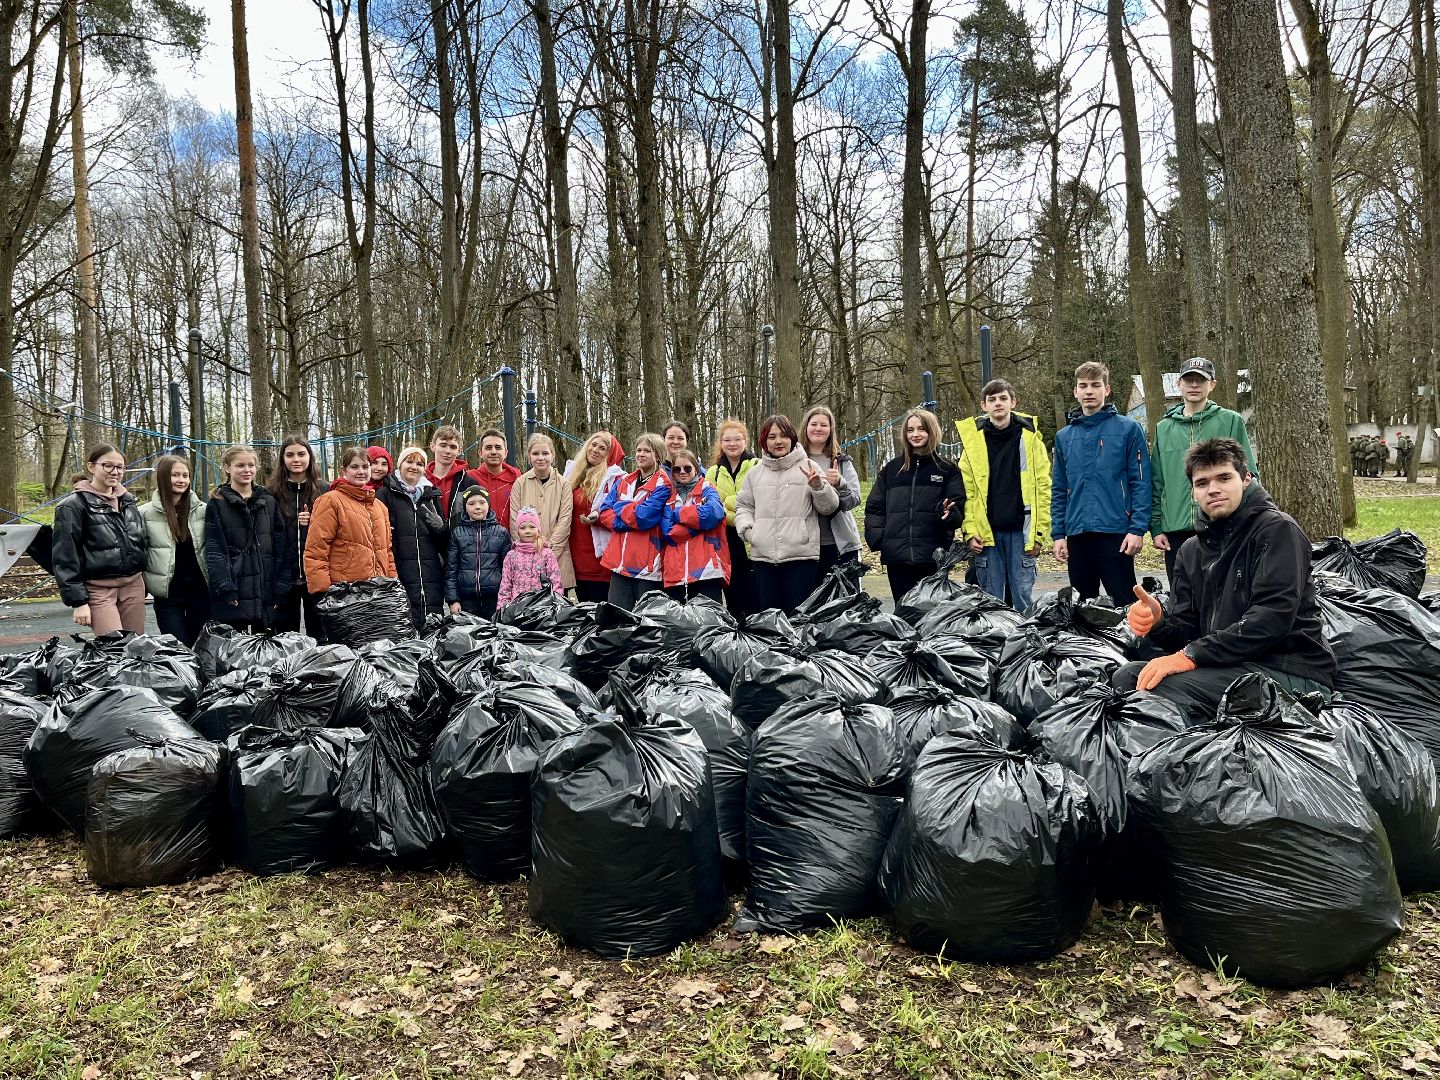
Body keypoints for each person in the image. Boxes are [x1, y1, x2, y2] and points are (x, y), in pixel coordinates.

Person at [1113, 438, 1335, 721]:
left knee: (1159, 691)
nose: (1213, 489)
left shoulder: (1277, 531)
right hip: (1227, 664)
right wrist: (1158, 623)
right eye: (1202, 483)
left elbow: (1271, 619)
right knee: (1128, 677)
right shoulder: (1191, 551)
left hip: (1289, 669)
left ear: (1246, 479)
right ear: (1193, 492)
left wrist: (1190, 655)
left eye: (1224, 477)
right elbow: (1186, 629)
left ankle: (1186, 762)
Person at [1050, 362, 1152, 604]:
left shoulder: (1128, 430)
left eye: (1095, 385)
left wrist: (1137, 529)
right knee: (1082, 607)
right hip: (1077, 533)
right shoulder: (1065, 437)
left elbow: (1140, 482)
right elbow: (1059, 489)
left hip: (1115, 531)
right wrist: (1058, 534)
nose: (1089, 391)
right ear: (1075, 391)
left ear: (1107, 389)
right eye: (1083, 386)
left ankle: (1133, 643)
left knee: (1127, 603)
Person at [1149, 357, 1257, 583]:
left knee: (1224, 591)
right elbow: (1156, 481)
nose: (1194, 386)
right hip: (1175, 529)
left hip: (1221, 524)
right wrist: (1157, 527)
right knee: (1182, 595)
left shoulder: (1230, 421)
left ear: (1212, 385)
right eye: (1189, 380)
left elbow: (1249, 473)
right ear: (1179, 384)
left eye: (1201, 380)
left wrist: (1247, 519)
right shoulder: (1163, 428)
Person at [955, 379, 1051, 612]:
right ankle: (995, 647)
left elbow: (1043, 488)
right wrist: (969, 531)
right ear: (983, 406)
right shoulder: (972, 444)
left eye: (1003, 398)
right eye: (992, 399)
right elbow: (966, 493)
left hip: (1021, 531)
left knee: (1023, 599)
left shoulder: (1030, 440)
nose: (998, 403)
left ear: (1013, 402)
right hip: (987, 534)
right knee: (990, 602)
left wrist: (1039, 534)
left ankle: (1025, 646)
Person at [737, 414, 840, 614]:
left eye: (783, 435)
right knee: (770, 621)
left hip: (801, 558)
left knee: (796, 619)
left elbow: (829, 507)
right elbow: (743, 506)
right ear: (764, 441)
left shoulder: (809, 467)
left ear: (792, 438)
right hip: (763, 559)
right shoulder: (755, 473)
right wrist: (750, 533)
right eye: (772, 437)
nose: (778, 441)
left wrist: (818, 486)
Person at [863, 408, 965, 605]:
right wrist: (879, 538)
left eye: (921, 429)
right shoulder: (891, 470)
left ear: (932, 431)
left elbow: (957, 507)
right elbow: (875, 507)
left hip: (932, 557)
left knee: (931, 617)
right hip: (897, 557)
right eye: (910, 430)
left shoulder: (947, 469)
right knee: (903, 614)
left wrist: (947, 514)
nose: (915, 434)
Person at [51, 443, 148, 635]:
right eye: (108, 465)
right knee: (112, 649)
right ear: (91, 467)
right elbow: (65, 556)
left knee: (136, 648)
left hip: (133, 586)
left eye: (120, 467)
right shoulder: (73, 506)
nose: (115, 472)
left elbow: (138, 542)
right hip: (99, 589)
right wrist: (79, 602)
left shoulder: (128, 501)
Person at [204, 444, 291, 632]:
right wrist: (225, 587)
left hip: (265, 587)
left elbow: (280, 547)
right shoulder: (217, 503)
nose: (247, 470)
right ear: (227, 468)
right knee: (236, 650)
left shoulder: (268, 501)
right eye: (240, 465)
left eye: (251, 465)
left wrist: (281, 587)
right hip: (236, 585)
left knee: (266, 651)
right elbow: (215, 549)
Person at [304, 446, 399, 597]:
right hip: (344, 591)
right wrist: (322, 589)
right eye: (354, 467)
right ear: (344, 470)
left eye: (365, 466)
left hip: (378, 590)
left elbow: (386, 551)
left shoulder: (380, 506)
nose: (361, 471)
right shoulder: (330, 501)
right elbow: (316, 549)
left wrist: (393, 582)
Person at [375, 445, 448, 631]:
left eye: (420, 463)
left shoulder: (431, 496)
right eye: (409, 461)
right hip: (400, 571)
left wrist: (441, 528)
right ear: (400, 465)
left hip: (430, 574)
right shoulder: (385, 494)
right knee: (404, 626)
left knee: (434, 628)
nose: (414, 467)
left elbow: (444, 544)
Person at [140, 454, 210, 644]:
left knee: (200, 645)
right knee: (177, 647)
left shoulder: (203, 510)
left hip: (200, 591)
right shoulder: (145, 513)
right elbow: (140, 552)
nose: (181, 480)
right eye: (175, 475)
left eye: (185, 475)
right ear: (163, 477)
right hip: (168, 593)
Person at [597, 433, 671, 609]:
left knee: (645, 623)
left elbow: (644, 517)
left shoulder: (664, 484)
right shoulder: (624, 480)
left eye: (647, 451)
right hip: (619, 562)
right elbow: (604, 512)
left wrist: (620, 508)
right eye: (639, 450)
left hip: (647, 566)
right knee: (616, 618)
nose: (641, 454)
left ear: (658, 456)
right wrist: (629, 512)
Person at [268, 435, 327, 640]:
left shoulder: (324, 490)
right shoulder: (271, 493)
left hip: (315, 573)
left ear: (309, 457)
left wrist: (314, 522)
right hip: (284, 574)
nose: (296, 459)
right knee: (286, 638)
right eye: (290, 454)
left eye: (301, 454)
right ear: (282, 459)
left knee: (319, 635)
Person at [660, 448, 730, 603]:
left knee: (710, 624)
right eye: (677, 469)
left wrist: (679, 514)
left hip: (706, 570)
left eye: (687, 468)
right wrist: (699, 526)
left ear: (696, 468)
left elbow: (713, 514)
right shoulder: (670, 497)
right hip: (675, 573)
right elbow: (668, 533)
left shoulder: (707, 489)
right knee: (679, 626)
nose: (682, 472)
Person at [800, 405, 862, 575]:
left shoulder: (842, 461)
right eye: (814, 424)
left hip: (840, 544)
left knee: (845, 600)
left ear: (831, 430)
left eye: (823, 425)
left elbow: (854, 499)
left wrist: (841, 483)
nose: (818, 429)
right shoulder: (795, 461)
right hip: (805, 547)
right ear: (806, 427)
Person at [508, 433, 574, 590]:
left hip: (556, 557)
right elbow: (514, 520)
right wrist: (528, 551)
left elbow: (565, 520)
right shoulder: (520, 483)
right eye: (535, 453)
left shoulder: (564, 484)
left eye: (545, 453)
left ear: (552, 455)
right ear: (529, 456)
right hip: (525, 561)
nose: (540, 458)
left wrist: (548, 550)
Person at [706, 419, 758, 618]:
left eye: (737, 439)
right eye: (727, 440)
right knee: (733, 594)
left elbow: (758, 502)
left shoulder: (757, 466)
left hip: (753, 537)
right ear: (721, 443)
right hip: (726, 541)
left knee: (754, 596)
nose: (732, 443)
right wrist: (740, 509)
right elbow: (712, 507)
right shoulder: (714, 472)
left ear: (746, 440)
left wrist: (728, 501)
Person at [567, 430, 626, 603]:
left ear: (610, 454)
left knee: (600, 609)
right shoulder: (572, 474)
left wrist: (599, 517)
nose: (595, 450)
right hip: (575, 554)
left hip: (600, 558)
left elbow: (619, 512)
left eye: (603, 448)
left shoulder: (615, 479)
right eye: (593, 445)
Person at [445, 486, 511, 618]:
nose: (477, 507)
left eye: (482, 502)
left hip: (495, 598)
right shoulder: (457, 533)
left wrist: (506, 597)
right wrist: (453, 600)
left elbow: (508, 569)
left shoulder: (501, 533)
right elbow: (451, 569)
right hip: (466, 600)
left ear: (488, 505)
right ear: (465, 507)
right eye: (471, 503)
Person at [496, 506, 564, 610]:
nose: (527, 531)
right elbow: (505, 585)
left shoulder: (547, 554)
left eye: (532, 527)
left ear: (538, 529)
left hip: (542, 608)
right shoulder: (511, 556)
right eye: (523, 528)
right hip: (517, 607)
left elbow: (555, 582)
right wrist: (502, 609)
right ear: (518, 531)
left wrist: (556, 605)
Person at [424, 424, 483, 522]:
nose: (448, 451)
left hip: (457, 536)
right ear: (432, 446)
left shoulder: (468, 483)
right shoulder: (421, 480)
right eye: (443, 445)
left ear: (459, 451)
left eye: (453, 447)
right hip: (425, 536)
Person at [471, 428, 522, 529]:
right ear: (480, 453)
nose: (493, 452)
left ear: (506, 452)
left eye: (498, 447)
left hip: (512, 541)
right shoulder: (470, 478)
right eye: (488, 448)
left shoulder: (517, 479)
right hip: (479, 541)